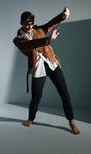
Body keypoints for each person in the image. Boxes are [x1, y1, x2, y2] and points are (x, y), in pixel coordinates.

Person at [13, 7, 80, 135]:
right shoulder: (18, 40)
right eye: (27, 23)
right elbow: (30, 45)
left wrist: (63, 15)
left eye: (31, 23)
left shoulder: (39, 30)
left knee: (64, 93)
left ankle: (71, 121)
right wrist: (49, 39)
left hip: (52, 64)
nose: (30, 26)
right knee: (36, 97)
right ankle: (31, 119)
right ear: (21, 23)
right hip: (38, 68)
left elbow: (51, 24)